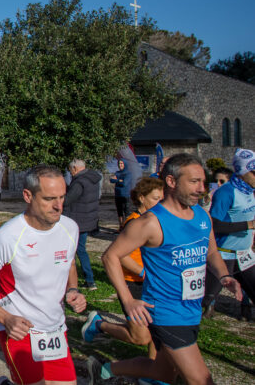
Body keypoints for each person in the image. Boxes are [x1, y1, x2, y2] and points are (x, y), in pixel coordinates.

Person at [90, 153, 242, 385]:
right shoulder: (150, 222)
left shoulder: (202, 216)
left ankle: (103, 369)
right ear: (171, 181)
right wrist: (128, 300)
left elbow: (211, 252)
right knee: (202, 381)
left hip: (191, 310)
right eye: (194, 182)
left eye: (203, 182)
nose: (202, 189)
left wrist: (224, 276)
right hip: (166, 313)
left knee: (163, 373)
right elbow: (110, 256)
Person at [0, 165, 87, 385]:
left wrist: (73, 289)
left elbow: (68, 263)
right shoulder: (7, 237)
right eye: (49, 199)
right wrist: (5, 318)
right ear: (28, 196)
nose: (58, 206)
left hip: (56, 331)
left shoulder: (70, 228)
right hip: (20, 330)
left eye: (62, 197)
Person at [81, 177, 164, 358]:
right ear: (142, 198)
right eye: (156, 198)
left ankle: (153, 368)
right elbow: (120, 256)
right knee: (140, 337)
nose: (160, 203)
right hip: (133, 283)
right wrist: (143, 272)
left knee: (157, 330)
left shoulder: (156, 221)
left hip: (152, 284)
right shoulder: (134, 222)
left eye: (161, 199)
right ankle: (98, 324)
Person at [202, 149, 255, 321]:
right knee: (208, 298)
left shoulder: (250, 191)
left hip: (244, 253)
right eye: (254, 172)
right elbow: (214, 225)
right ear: (242, 172)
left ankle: (246, 310)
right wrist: (248, 225)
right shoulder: (226, 192)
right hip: (224, 253)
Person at [63, 159, 102, 290]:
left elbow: (68, 200)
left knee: (76, 250)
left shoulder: (80, 182)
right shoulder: (92, 178)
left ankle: (88, 280)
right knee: (81, 249)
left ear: (75, 168)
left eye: (70, 170)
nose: (70, 173)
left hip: (78, 220)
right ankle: (88, 280)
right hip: (87, 218)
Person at [111, 160, 129, 227]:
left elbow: (125, 183)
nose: (120, 165)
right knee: (119, 212)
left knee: (126, 212)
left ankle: (126, 226)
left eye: (121, 163)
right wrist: (119, 180)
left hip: (125, 195)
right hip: (117, 194)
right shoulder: (117, 172)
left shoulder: (128, 173)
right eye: (119, 163)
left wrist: (116, 180)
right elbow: (111, 180)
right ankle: (121, 226)